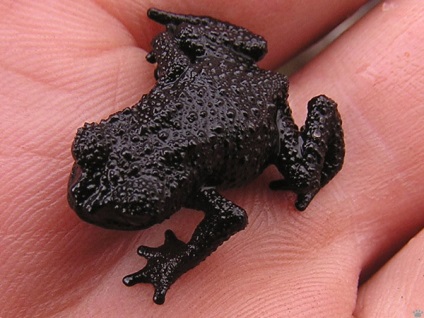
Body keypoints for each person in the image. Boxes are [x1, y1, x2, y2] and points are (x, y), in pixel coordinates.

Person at [1, 1, 423, 316]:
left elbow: (233, 217)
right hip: (215, 74)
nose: (87, 195)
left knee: (302, 173)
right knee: (180, 46)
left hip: (264, 115)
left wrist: (178, 260)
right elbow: (168, 52)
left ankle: (321, 114)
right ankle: (248, 60)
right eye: (88, 157)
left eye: (134, 209)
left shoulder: (189, 181)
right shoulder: (159, 103)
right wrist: (170, 44)